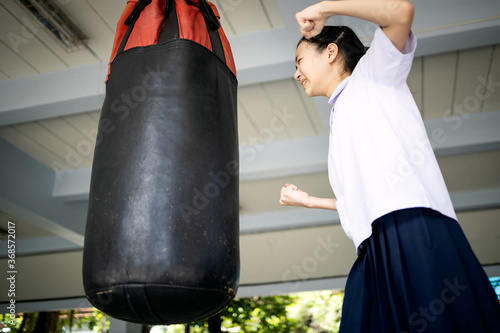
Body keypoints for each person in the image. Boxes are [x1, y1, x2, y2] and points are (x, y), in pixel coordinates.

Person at [279, 0, 500, 332]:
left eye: (299, 61)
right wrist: (310, 201)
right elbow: (362, 200)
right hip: (372, 244)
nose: (296, 72)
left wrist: (325, 9)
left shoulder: (374, 74)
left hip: (411, 225)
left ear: (330, 52)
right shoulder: (339, 117)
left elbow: (400, 12)